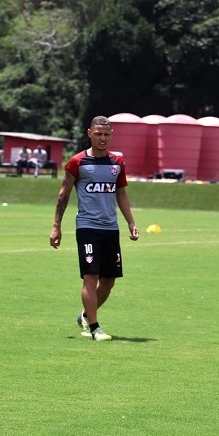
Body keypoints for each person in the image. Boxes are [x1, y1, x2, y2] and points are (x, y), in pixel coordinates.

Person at [49, 115, 139, 341]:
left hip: (111, 228)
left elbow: (121, 193)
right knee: (91, 276)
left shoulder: (116, 163)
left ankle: (85, 315)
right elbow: (64, 194)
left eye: (106, 134)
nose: (102, 138)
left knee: (109, 281)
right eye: (98, 133)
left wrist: (131, 222)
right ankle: (94, 327)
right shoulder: (77, 162)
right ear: (89, 133)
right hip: (88, 227)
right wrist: (56, 226)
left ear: (111, 136)